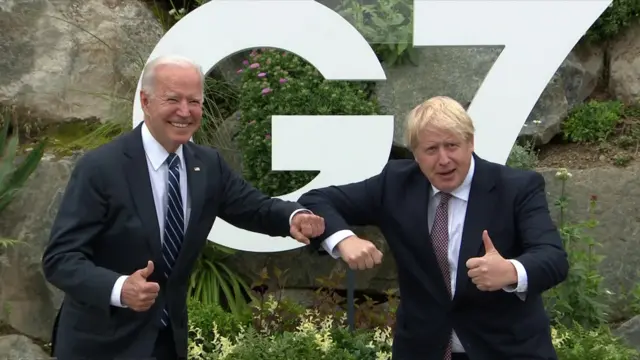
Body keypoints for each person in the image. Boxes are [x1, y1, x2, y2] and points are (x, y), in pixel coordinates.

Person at [41, 55, 325, 360]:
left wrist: (294, 217)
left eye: (194, 101)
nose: (185, 112)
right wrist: (119, 288)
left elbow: (255, 209)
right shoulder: (101, 168)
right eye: (173, 99)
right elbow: (61, 259)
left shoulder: (207, 165)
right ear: (146, 101)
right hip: (100, 346)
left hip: (167, 343)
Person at [298, 96, 569, 360]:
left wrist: (510, 271)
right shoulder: (394, 185)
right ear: (415, 154)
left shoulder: (516, 188)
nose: (443, 159)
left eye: (452, 145)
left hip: (504, 350)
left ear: (470, 143)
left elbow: (553, 258)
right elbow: (316, 200)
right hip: (423, 349)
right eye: (431, 149)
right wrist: (344, 239)